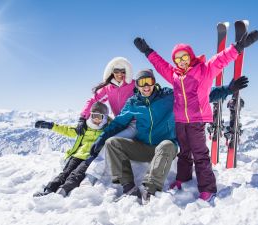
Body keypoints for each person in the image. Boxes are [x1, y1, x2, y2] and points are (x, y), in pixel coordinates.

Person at [133, 29, 258, 201]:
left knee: (200, 155)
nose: (181, 61)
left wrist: (238, 47)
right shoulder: (174, 75)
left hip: (197, 121)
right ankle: (183, 178)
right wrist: (147, 51)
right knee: (184, 153)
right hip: (180, 121)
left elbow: (221, 59)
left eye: (184, 57)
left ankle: (208, 187)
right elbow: (160, 64)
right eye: (177, 59)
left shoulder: (204, 70)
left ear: (190, 56)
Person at [89, 69, 177, 204]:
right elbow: (118, 122)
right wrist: (102, 138)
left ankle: (150, 190)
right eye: (142, 83)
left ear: (154, 82)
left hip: (164, 148)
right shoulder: (133, 102)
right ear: (137, 85)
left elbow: (193, 94)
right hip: (143, 147)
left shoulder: (167, 95)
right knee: (112, 142)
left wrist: (219, 92)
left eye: (149, 81)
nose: (146, 86)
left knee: (168, 144)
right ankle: (129, 188)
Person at [77, 57, 138, 186]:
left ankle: (92, 176)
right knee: (102, 141)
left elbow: (147, 91)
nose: (120, 74)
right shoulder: (108, 89)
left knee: (109, 143)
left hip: (134, 123)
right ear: (111, 72)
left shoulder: (133, 84)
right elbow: (93, 100)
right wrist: (83, 117)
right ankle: (89, 169)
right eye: (117, 71)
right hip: (120, 123)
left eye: (123, 71)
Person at [33, 102, 109, 197]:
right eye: (94, 116)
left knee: (76, 175)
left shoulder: (107, 129)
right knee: (65, 173)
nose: (96, 119)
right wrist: (51, 126)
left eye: (100, 117)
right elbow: (67, 130)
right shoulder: (85, 127)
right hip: (77, 156)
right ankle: (49, 190)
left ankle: (62, 192)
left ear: (104, 117)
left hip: (90, 158)